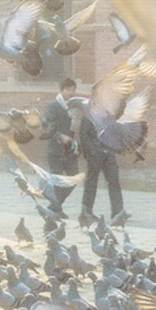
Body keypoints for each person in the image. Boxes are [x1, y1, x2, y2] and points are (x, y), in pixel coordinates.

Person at [76, 91, 124, 225]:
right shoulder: (88, 117)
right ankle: (86, 212)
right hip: (95, 155)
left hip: (109, 154)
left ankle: (118, 213)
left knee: (114, 182)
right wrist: (94, 152)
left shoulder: (110, 117)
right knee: (91, 183)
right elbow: (84, 136)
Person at [41, 78, 80, 213]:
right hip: (56, 150)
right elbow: (47, 126)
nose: (72, 93)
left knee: (73, 178)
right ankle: (56, 208)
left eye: (74, 90)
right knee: (57, 180)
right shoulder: (53, 106)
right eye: (69, 90)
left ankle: (55, 206)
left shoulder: (73, 107)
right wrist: (60, 136)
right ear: (62, 90)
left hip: (69, 150)